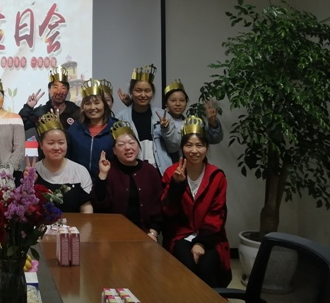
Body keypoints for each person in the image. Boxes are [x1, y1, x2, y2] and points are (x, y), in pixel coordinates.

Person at [161, 116, 232, 287]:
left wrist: (201, 243)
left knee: (207, 267)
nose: (194, 150)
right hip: (180, 235)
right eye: (189, 145)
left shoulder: (217, 176)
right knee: (188, 266)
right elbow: (167, 211)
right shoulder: (171, 173)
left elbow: (217, 214)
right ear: (182, 147)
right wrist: (177, 185)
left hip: (210, 236)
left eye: (199, 145)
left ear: (206, 147)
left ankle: (213, 298)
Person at [90, 121, 162, 239]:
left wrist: (153, 232)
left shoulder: (150, 171)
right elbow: (99, 206)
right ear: (114, 151)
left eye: (131, 143)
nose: (127, 147)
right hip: (112, 235)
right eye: (121, 144)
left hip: (146, 234)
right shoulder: (109, 170)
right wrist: (102, 175)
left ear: (138, 146)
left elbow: (158, 207)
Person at [117, 64, 180, 175]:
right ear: (131, 92)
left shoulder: (163, 115)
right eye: (138, 90)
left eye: (147, 90)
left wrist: (166, 129)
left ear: (152, 92)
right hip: (132, 172)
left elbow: (174, 147)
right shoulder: (121, 118)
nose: (143, 95)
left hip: (160, 172)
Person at [33, 113, 93, 213]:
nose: (56, 148)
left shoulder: (80, 171)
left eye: (61, 143)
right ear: (41, 145)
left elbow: (86, 206)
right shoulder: (32, 172)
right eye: (51, 143)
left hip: (74, 223)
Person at [66, 79, 116, 178]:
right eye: (88, 103)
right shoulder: (74, 129)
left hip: (107, 182)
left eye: (97, 103)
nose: (92, 107)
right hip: (78, 182)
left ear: (104, 105)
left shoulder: (116, 128)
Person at [161, 79, 224, 145]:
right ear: (166, 103)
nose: (178, 104)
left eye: (182, 100)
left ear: (186, 103)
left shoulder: (191, 124)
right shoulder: (158, 122)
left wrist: (212, 122)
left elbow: (214, 140)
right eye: (173, 100)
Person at [19, 66, 80, 131]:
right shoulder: (41, 112)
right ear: (49, 90)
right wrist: (28, 107)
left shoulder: (76, 112)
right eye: (55, 87)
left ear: (67, 91)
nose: (59, 92)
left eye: (63, 88)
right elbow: (20, 126)